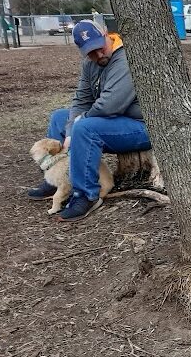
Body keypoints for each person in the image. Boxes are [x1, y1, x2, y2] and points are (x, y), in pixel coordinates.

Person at [28, 20, 151, 221]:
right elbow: (81, 100)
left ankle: (86, 195)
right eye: (91, 52)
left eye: (100, 47)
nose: (98, 55)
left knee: (84, 128)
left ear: (106, 34)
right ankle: (56, 181)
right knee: (59, 118)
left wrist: (78, 123)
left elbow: (110, 105)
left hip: (141, 126)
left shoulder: (125, 58)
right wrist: (70, 130)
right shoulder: (90, 64)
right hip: (113, 121)